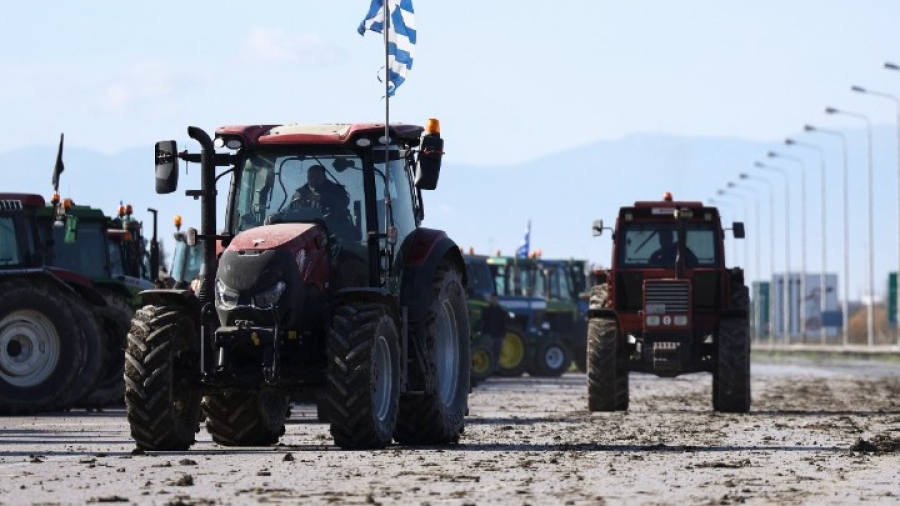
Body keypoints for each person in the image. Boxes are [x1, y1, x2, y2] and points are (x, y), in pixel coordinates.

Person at [480, 294, 508, 374]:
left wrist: (503, 334)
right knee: (489, 351)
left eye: (495, 299)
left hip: (499, 334)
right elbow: (484, 322)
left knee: (497, 352)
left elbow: (504, 323)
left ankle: (496, 368)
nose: (494, 300)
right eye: (492, 299)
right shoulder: (487, 310)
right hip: (490, 334)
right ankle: (489, 368)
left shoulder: (501, 311)